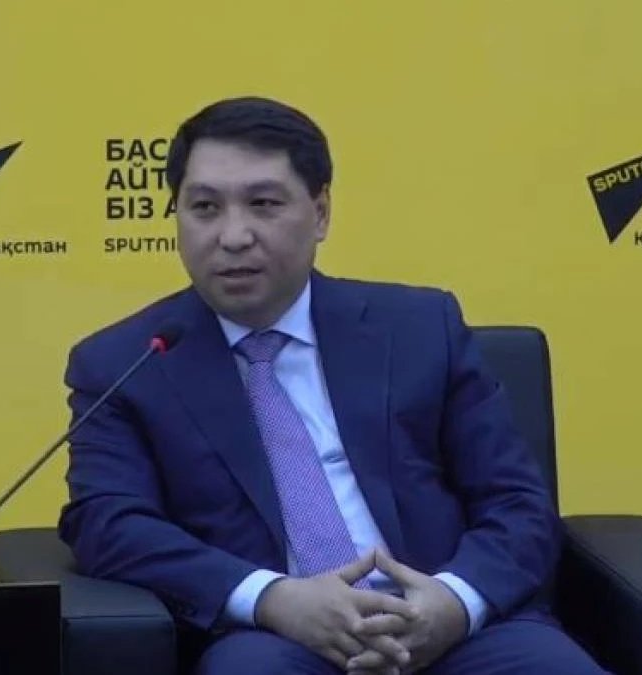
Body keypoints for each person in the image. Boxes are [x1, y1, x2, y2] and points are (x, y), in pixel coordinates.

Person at [57, 96, 608, 675]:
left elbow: (516, 502)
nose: (233, 235)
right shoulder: (126, 363)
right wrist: (271, 598)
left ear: (320, 213)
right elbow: (107, 523)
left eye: (263, 204)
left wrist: (453, 601)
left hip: (451, 626)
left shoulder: (420, 329)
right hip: (273, 638)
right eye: (204, 208)